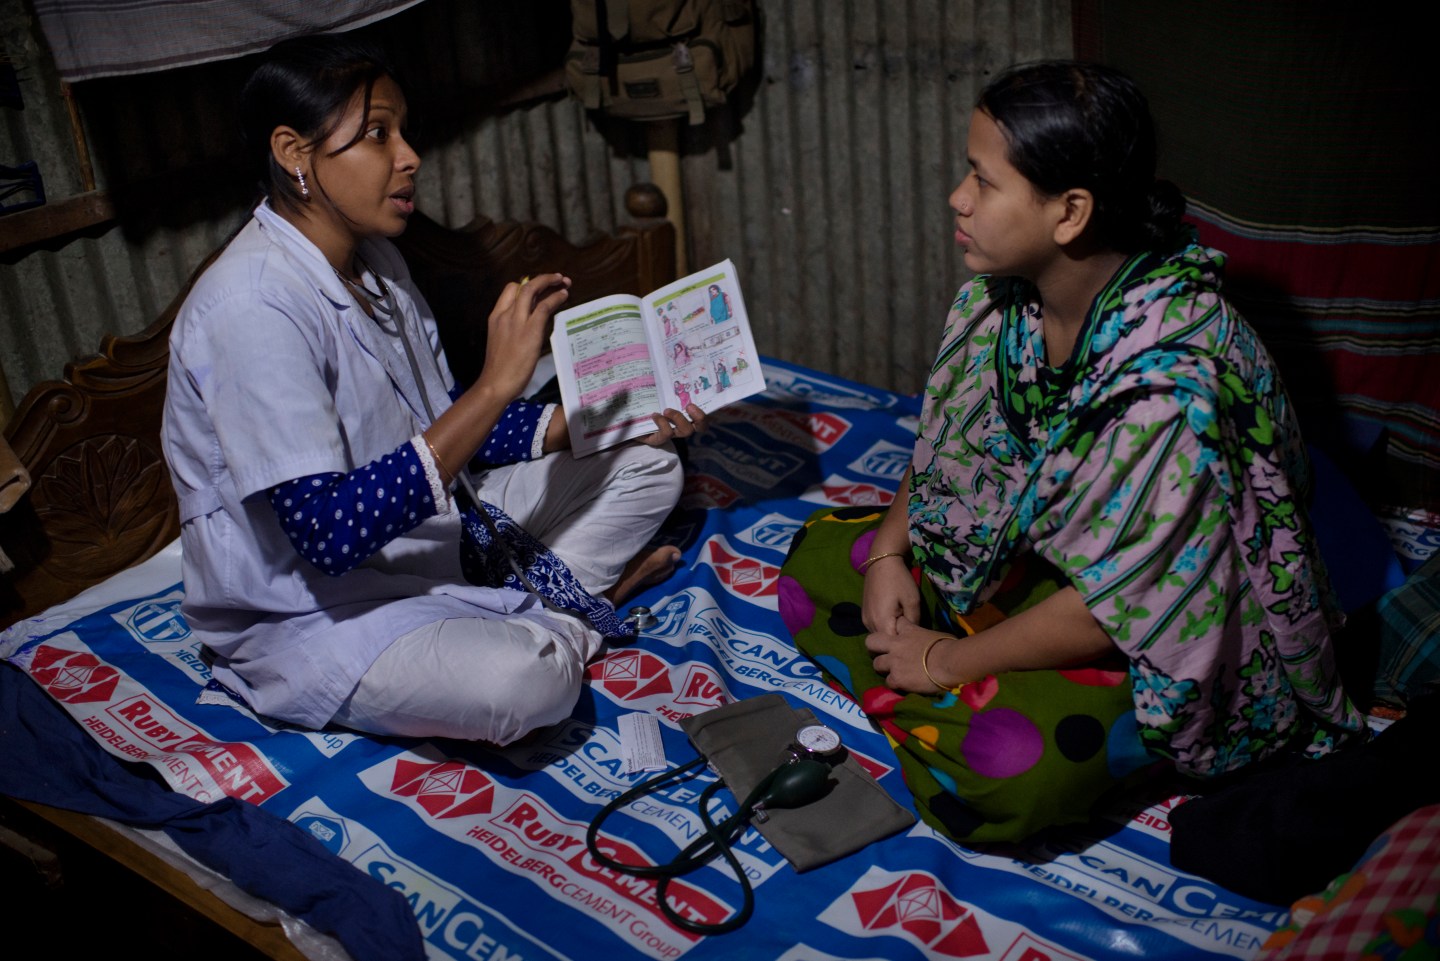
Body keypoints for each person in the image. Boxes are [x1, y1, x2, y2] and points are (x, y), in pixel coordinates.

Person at [778, 60, 1363, 842]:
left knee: (1014, 777)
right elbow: (952, 441)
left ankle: (946, 693)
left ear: (1070, 211)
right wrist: (888, 552)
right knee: (814, 565)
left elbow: (1115, 605)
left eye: (983, 181)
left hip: (1153, 620)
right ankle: (939, 684)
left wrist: (944, 663)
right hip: (1031, 563)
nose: (957, 197)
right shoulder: (1003, 301)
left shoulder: (1171, 385)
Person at [161, 34, 705, 745]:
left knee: (649, 466)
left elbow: (443, 418)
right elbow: (328, 536)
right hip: (313, 613)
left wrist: (570, 426)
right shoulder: (252, 305)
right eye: (377, 134)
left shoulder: (378, 261)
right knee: (524, 684)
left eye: (403, 131)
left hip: (428, 543)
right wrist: (497, 382)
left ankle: (545, 609)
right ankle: (578, 612)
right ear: (295, 153)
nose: (409, 155)